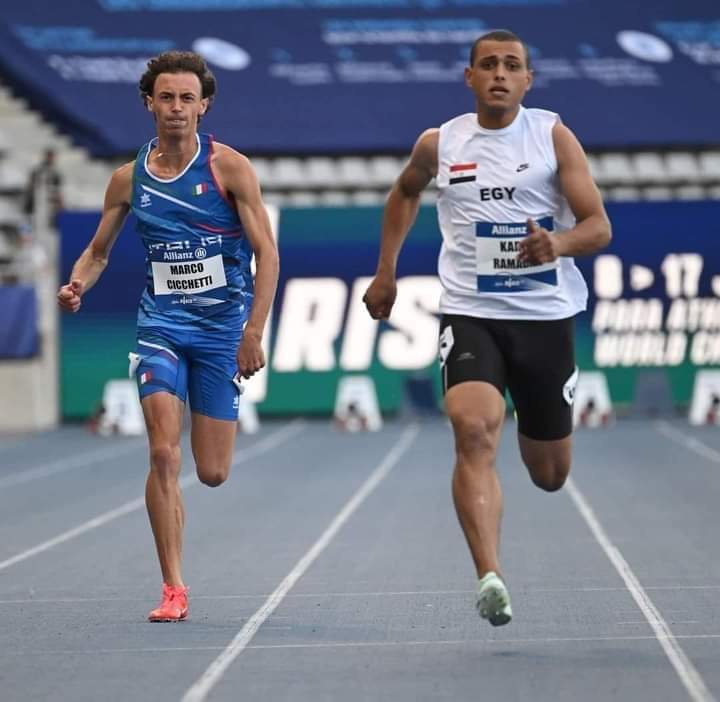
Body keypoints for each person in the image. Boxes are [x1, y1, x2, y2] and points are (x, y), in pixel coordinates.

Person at [363, 30, 611, 626]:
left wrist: (557, 244)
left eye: (512, 65)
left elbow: (598, 226)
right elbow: (404, 193)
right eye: (489, 64)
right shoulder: (440, 142)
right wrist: (386, 270)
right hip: (471, 311)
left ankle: (536, 419)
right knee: (472, 430)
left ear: (528, 80)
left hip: (544, 317)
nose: (500, 73)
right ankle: (489, 575)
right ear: (469, 77)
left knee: (549, 474)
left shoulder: (552, 136)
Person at [57, 51, 279, 622]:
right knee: (161, 450)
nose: (176, 107)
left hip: (222, 330)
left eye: (186, 98)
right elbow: (98, 252)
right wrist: (78, 282)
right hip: (162, 324)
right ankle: (173, 587)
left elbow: (268, 254)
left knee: (212, 472)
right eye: (166, 97)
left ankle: (178, 569)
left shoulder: (229, 169)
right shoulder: (127, 179)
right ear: (148, 104)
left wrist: (253, 331)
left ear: (204, 106)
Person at [23, 148, 64, 227]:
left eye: (52, 157)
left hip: (48, 203)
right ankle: (26, 232)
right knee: (28, 220)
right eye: (50, 157)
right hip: (36, 201)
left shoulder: (56, 173)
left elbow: (58, 190)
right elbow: (30, 185)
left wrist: (60, 202)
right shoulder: (37, 171)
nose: (52, 159)